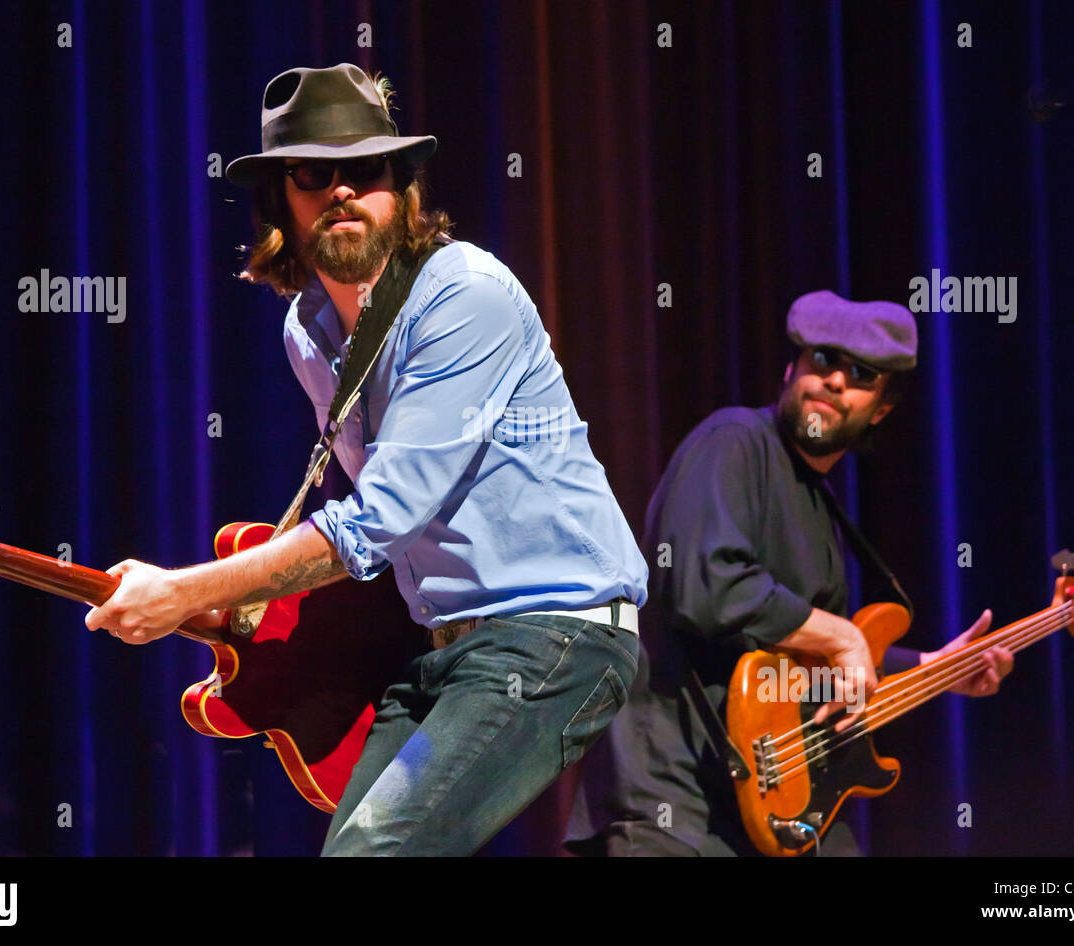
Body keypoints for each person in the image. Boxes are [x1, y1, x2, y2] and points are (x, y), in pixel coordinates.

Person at [83, 63, 647, 856]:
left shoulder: (463, 295)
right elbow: (378, 536)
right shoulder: (307, 333)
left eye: (366, 169)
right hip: (441, 644)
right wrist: (246, 614)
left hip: (556, 633)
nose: (343, 190)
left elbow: (376, 523)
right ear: (282, 196)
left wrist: (182, 590)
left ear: (402, 189)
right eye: (316, 172)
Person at [564, 290, 1014, 856]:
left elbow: (803, 657)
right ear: (790, 369)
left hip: (775, 808)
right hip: (676, 806)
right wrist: (843, 634)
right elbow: (708, 589)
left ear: (882, 408)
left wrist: (936, 668)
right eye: (821, 359)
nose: (833, 380)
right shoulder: (733, 441)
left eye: (861, 374)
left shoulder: (820, 503)